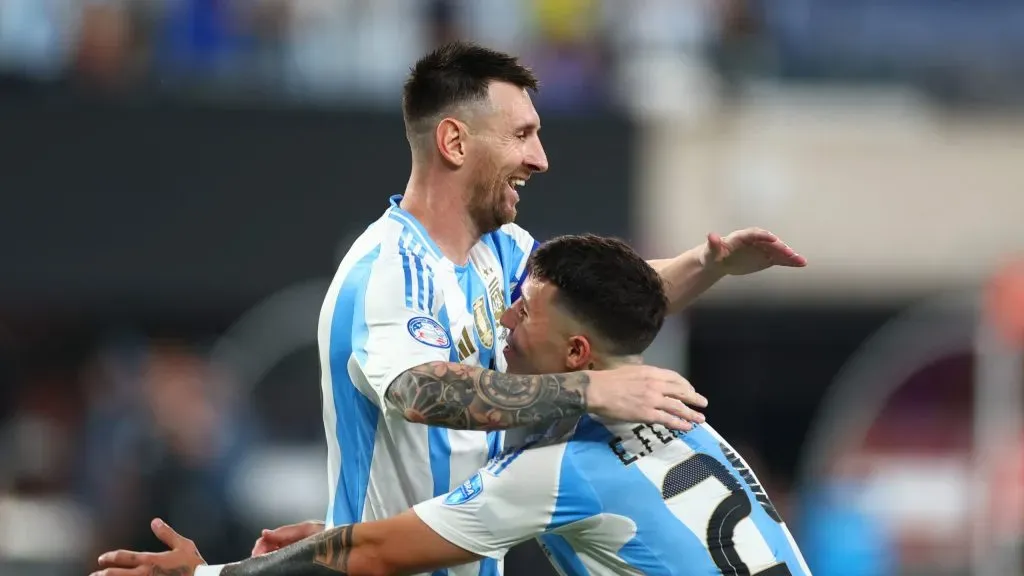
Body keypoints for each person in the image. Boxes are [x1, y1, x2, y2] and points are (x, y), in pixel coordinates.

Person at [259, 40, 805, 574]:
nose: (539, 159)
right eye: (522, 134)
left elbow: (587, 314)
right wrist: (592, 388)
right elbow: (417, 391)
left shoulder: (504, 248)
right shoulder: (390, 272)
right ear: (454, 142)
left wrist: (706, 265)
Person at [92, 234, 812, 576]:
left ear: (577, 361)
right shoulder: (683, 418)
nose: (503, 322)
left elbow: (377, 553)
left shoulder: (564, 469)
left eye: (523, 312)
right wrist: (706, 264)